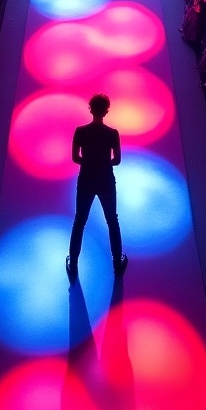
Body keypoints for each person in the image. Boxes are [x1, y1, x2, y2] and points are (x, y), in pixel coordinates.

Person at [67, 93, 126, 279]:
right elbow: (116, 160)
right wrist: (102, 163)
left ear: (90, 109)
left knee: (80, 221)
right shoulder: (112, 133)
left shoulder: (81, 131)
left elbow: (75, 157)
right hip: (106, 180)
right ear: (106, 111)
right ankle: (117, 262)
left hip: (86, 179)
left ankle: (74, 263)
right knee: (112, 220)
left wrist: (89, 162)